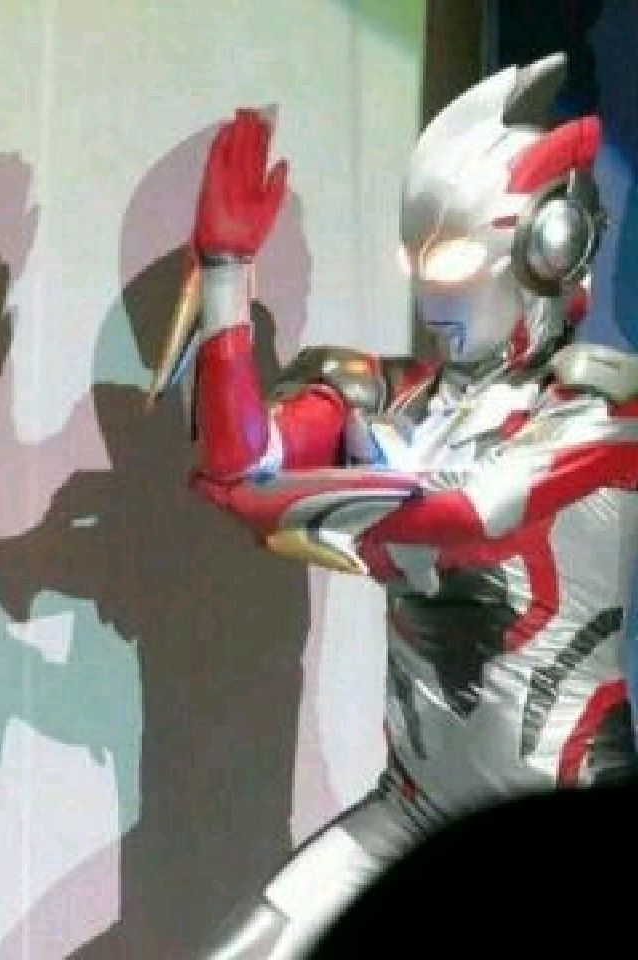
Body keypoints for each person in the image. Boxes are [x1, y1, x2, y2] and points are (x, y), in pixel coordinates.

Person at [154, 52, 638, 958]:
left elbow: (463, 518)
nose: (432, 289)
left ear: (548, 247)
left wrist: (270, 504)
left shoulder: (597, 410)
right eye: (415, 260)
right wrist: (225, 272)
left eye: (454, 258)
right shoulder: (396, 395)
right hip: (414, 808)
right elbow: (239, 455)